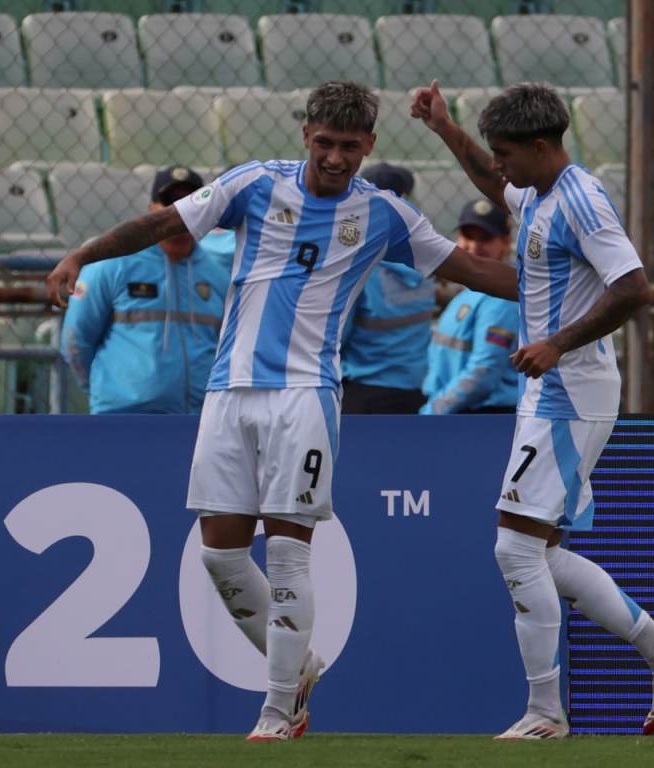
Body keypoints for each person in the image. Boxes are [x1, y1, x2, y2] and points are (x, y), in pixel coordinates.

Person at [46, 81, 518, 741]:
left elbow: (471, 272)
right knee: (221, 559)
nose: (334, 157)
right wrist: (82, 254)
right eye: (324, 142)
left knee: (291, 554)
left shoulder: (383, 215)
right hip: (230, 390)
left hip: (307, 395)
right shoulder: (255, 186)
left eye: (349, 147)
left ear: (369, 146)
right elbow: (162, 224)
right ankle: (296, 667)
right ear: (306, 135)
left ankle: (279, 710)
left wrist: (558, 285)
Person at [412, 80, 654, 738]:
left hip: (571, 386)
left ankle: (547, 713)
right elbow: (492, 183)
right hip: (552, 387)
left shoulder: (582, 203)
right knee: (535, 550)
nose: (499, 165)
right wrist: (442, 125)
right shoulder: (539, 191)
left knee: (514, 549)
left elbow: (634, 288)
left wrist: (556, 342)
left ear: (542, 147)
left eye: (507, 153)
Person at [60, 166, 234, 414]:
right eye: (170, 204)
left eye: (189, 205)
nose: (180, 215)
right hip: (122, 417)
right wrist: (106, 391)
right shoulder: (113, 265)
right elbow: (75, 341)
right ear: (152, 210)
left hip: (198, 421)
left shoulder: (216, 276)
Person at [339, 162, 435, 414]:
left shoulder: (361, 268)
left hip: (364, 391)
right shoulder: (425, 267)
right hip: (415, 390)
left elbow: (337, 335)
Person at [420, 198, 519, 415]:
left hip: (482, 416)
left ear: (505, 242)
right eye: (468, 237)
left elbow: (484, 372)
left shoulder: (501, 298)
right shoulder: (469, 292)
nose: (474, 247)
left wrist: (433, 411)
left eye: (486, 239)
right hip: (457, 411)